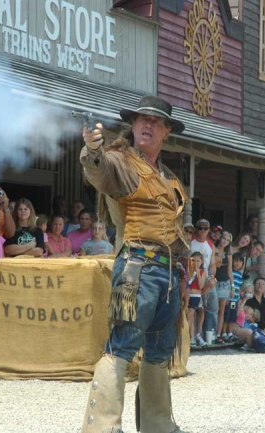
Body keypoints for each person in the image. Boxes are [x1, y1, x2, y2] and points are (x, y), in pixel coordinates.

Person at [80, 95, 189, 433]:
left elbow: (178, 230)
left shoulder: (170, 178)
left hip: (168, 273)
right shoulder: (122, 162)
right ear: (133, 125)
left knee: (159, 351)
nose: (147, 125)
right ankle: (102, 427)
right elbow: (99, 171)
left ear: (166, 131)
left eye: (155, 121)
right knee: (122, 346)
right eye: (142, 119)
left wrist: (183, 273)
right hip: (137, 267)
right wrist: (91, 149)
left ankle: (157, 425)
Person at [187, 252, 210, 347]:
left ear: (202, 262)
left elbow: (201, 285)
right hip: (188, 294)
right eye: (193, 260)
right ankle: (191, 338)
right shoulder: (188, 270)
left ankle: (186, 335)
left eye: (198, 261)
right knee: (190, 316)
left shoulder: (203, 272)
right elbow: (187, 282)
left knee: (191, 314)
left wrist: (197, 273)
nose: (196, 262)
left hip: (196, 295)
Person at [214, 231, 233, 344]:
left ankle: (218, 334)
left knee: (221, 310)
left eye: (227, 239)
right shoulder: (213, 249)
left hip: (225, 283)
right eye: (223, 238)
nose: (225, 241)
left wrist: (233, 287)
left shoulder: (228, 254)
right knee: (211, 309)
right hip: (214, 281)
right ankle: (208, 332)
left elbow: (230, 271)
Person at [223, 252, 244, 342]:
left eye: (240, 262)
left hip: (234, 300)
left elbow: (239, 287)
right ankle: (223, 333)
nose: (237, 263)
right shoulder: (229, 272)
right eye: (235, 261)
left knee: (232, 317)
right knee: (226, 316)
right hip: (228, 299)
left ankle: (230, 333)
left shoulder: (239, 274)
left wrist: (240, 298)